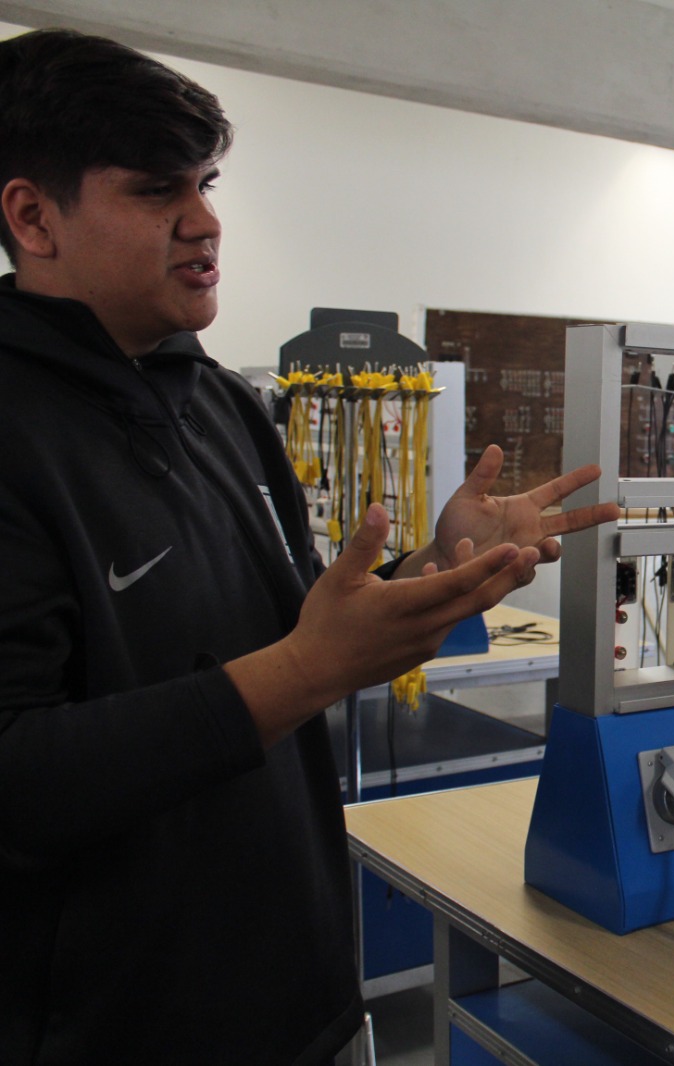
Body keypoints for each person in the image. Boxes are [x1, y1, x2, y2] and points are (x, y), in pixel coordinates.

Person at [0, 27, 620, 1064]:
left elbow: (296, 624)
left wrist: (439, 566)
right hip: (120, 1028)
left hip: (303, 992)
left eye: (205, 183)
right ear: (32, 216)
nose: (206, 223)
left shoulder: (218, 406)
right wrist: (302, 669)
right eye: (159, 191)